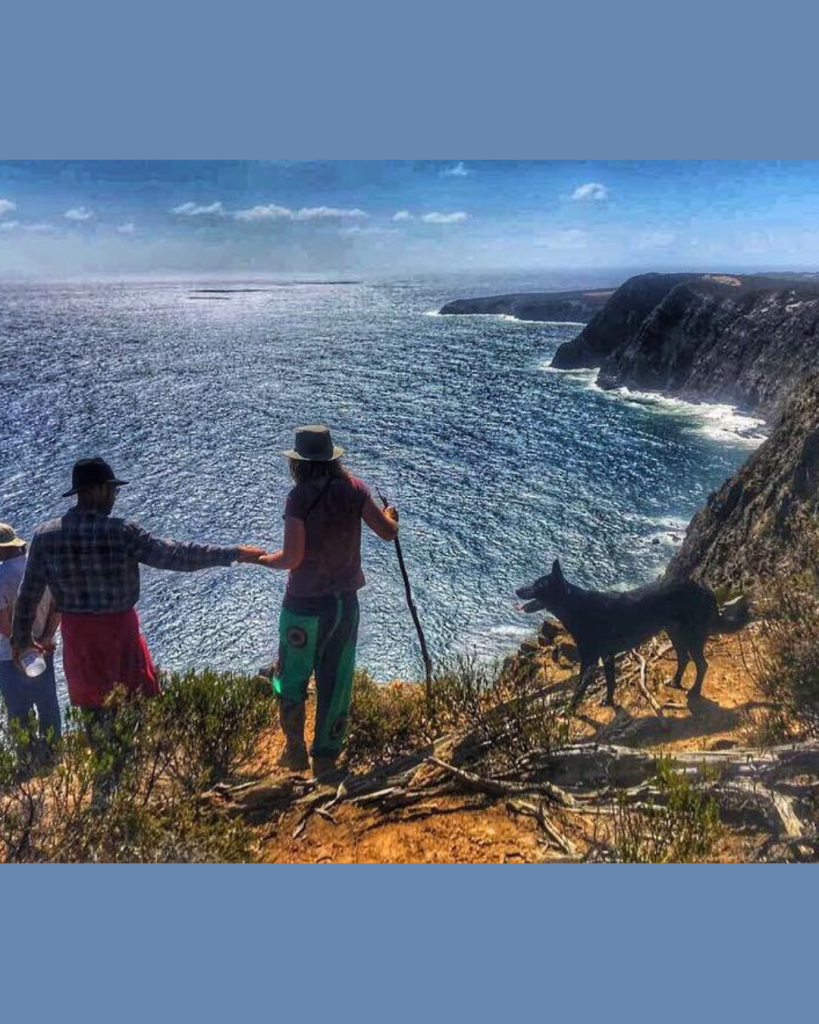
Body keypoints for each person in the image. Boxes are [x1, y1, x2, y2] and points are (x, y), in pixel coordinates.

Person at [11, 457, 267, 715]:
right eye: (112, 490)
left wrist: (22, 641)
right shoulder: (122, 532)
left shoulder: (46, 536)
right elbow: (175, 555)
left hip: (78, 641)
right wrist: (233, 553)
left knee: (94, 713)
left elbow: (28, 595)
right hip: (119, 636)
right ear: (97, 490)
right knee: (134, 713)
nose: (114, 497)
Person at [260, 425, 399, 779]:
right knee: (336, 682)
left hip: (303, 606)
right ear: (332, 457)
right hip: (344, 606)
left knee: (290, 676)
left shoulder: (299, 498)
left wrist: (260, 559)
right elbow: (387, 532)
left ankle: (294, 751)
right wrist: (393, 516)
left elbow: (291, 559)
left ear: (299, 464)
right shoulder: (355, 489)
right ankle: (326, 757)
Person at [0, 523, 62, 764]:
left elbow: (3, 625)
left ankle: (28, 764)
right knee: (48, 704)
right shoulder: (42, 567)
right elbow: (58, 607)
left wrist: (22, 644)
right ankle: (53, 758)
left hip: (9, 656)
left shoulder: (2, 577)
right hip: (44, 650)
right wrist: (44, 639)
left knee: (19, 712)